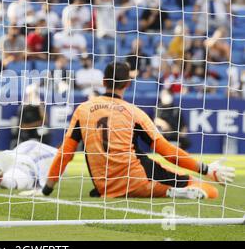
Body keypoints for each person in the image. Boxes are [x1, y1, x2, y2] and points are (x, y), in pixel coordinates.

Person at [22, 62, 235, 199]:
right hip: (138, 179)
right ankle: (175, 191)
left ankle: (173, 191)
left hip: (106, 187)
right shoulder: (135, 113)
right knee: (211, 191)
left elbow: (65, 153)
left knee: (152, 167)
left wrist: (46, 190)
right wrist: (206, 169)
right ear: (128, 84)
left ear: (103, 82)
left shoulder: (83, 109)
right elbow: (166, 150)